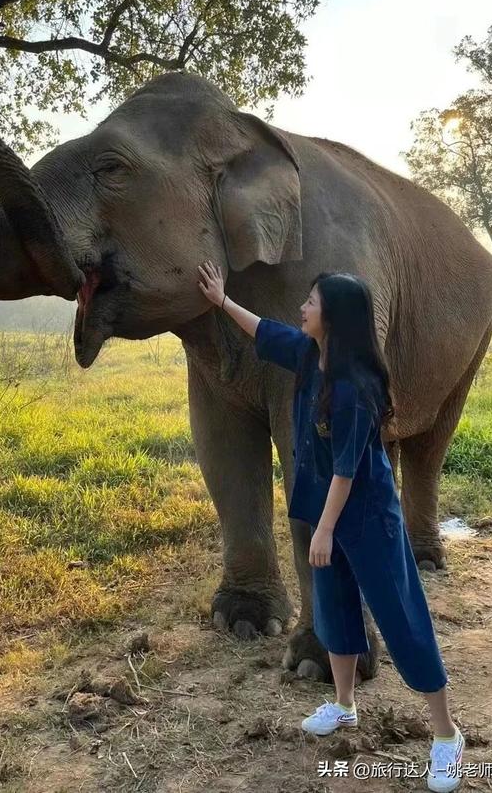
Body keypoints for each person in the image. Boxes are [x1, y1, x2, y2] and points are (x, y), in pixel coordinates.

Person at [197, 260, 464, 793]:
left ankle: (446, 734)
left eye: (311, 302)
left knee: (400, 617)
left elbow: (346, 469)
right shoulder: (309, 355)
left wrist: (321, 531)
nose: (302, 308)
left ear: (334, 317)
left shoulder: (353, 387)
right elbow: (265, 332)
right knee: (334, 610)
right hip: (326, 514)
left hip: (364, 520)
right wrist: (222, 301)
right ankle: (344, 706)